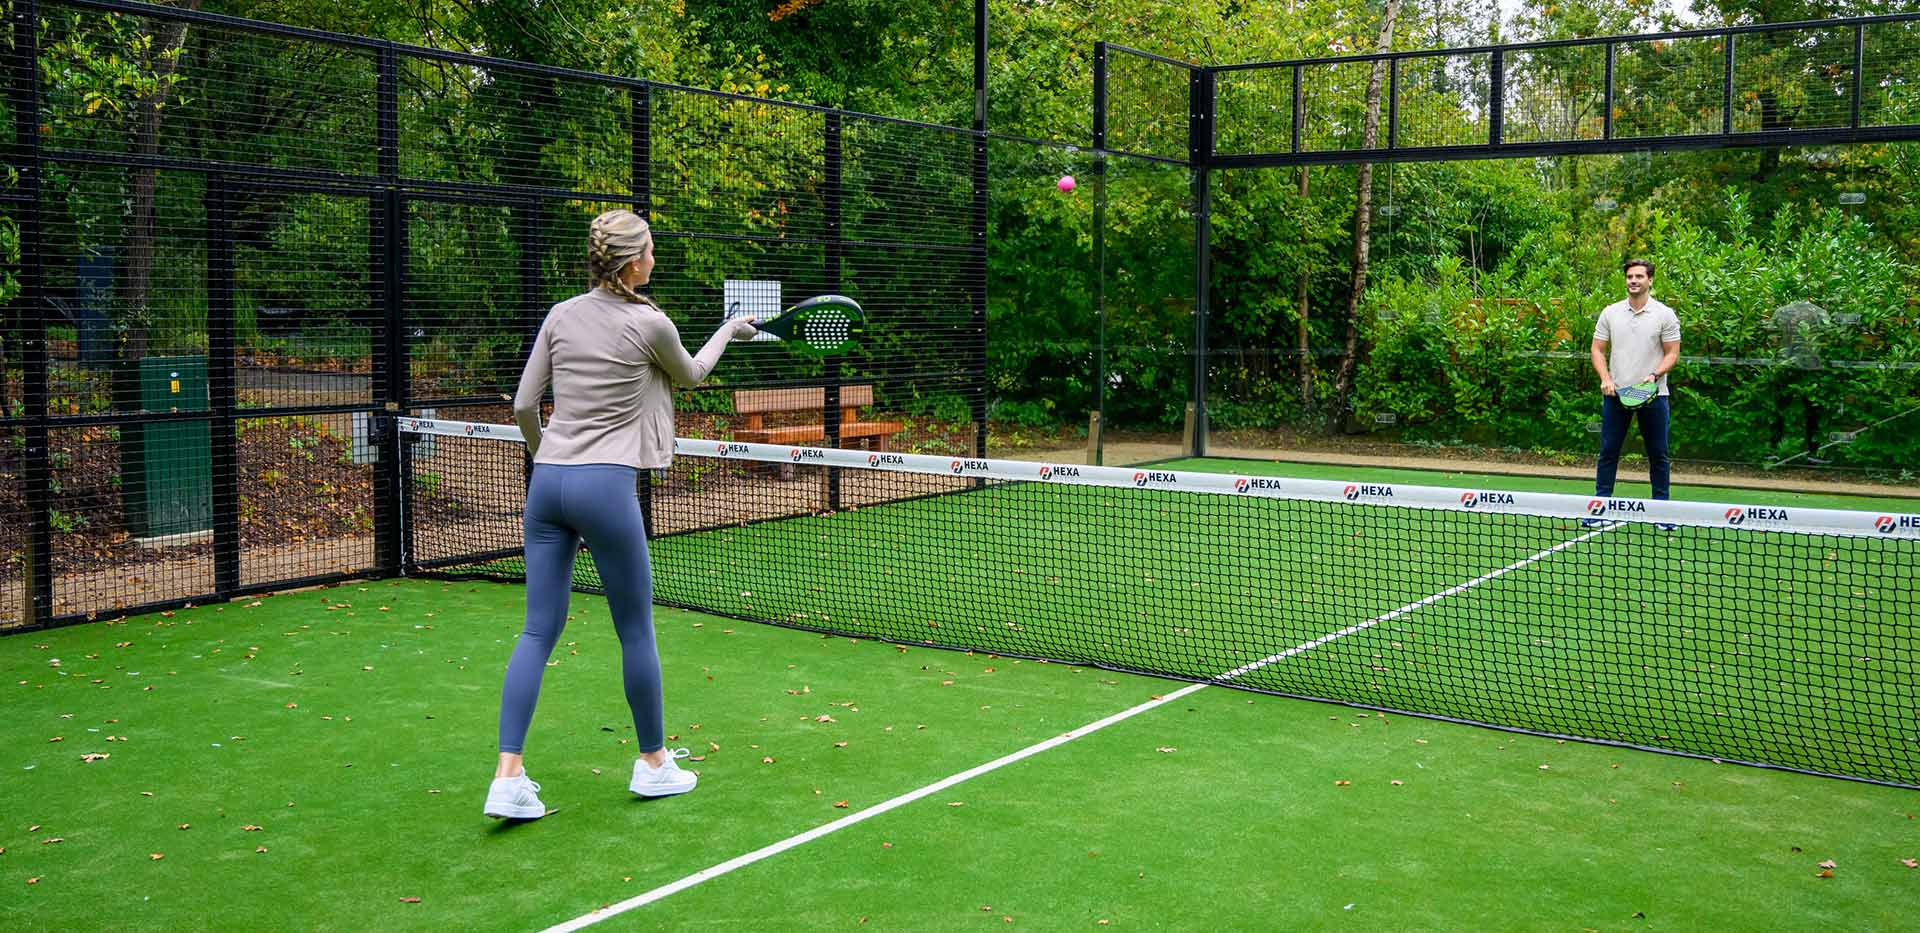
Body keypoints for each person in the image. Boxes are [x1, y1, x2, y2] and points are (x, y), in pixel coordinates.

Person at [485, 209, 759, 820]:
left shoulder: (560, 314)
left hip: (547, 485)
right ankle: (655, 764)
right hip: (605, 488)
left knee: (537, 630)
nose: (655, 260)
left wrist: (546, 454)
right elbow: (690, 376)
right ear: (634, 263)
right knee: (635, 630)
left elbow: (526, 403)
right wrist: (727, 332)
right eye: (652, 251)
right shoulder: (650, 323)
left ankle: (507, 776)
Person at [1587, 258, 1681, 530]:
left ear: (1650, 280)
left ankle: (1661, 513)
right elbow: (1597, 350)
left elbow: (1672, 353)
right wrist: (1605, 378)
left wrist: (1653, 376)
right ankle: (1600, 509)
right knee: (1608, 451)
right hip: (1616, 396)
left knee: (1658, 453)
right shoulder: (1610, 313)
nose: (1633, 281)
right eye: (1630, 276)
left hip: (1655, 396)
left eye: (1639, 276)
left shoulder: (1665, 314)